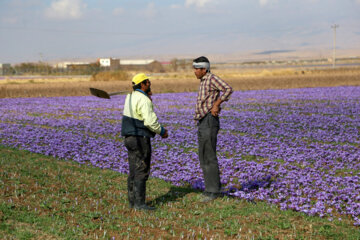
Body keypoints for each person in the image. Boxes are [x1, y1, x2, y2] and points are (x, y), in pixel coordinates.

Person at [121, 73, 168, 210]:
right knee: (141, 169)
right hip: (140, 138)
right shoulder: (143, 100)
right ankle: (140, 204)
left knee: (133, 171)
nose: (150, 84)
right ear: (142, 84)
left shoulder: (129, 97)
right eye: (148, 82)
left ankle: (132, 202)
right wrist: (162, 131)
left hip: (129, 138)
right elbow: (150, 122)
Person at [193, 56, 233, 202]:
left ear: (204, 69)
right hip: (202, 120)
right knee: (203, 155)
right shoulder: (203, 81)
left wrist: (217, 104)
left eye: (197, 69)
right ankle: (209, 189)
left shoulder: (211, 79)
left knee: (209, 155)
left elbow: (228, 89)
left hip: (209, 120)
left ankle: (214, 191)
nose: (195, 71)